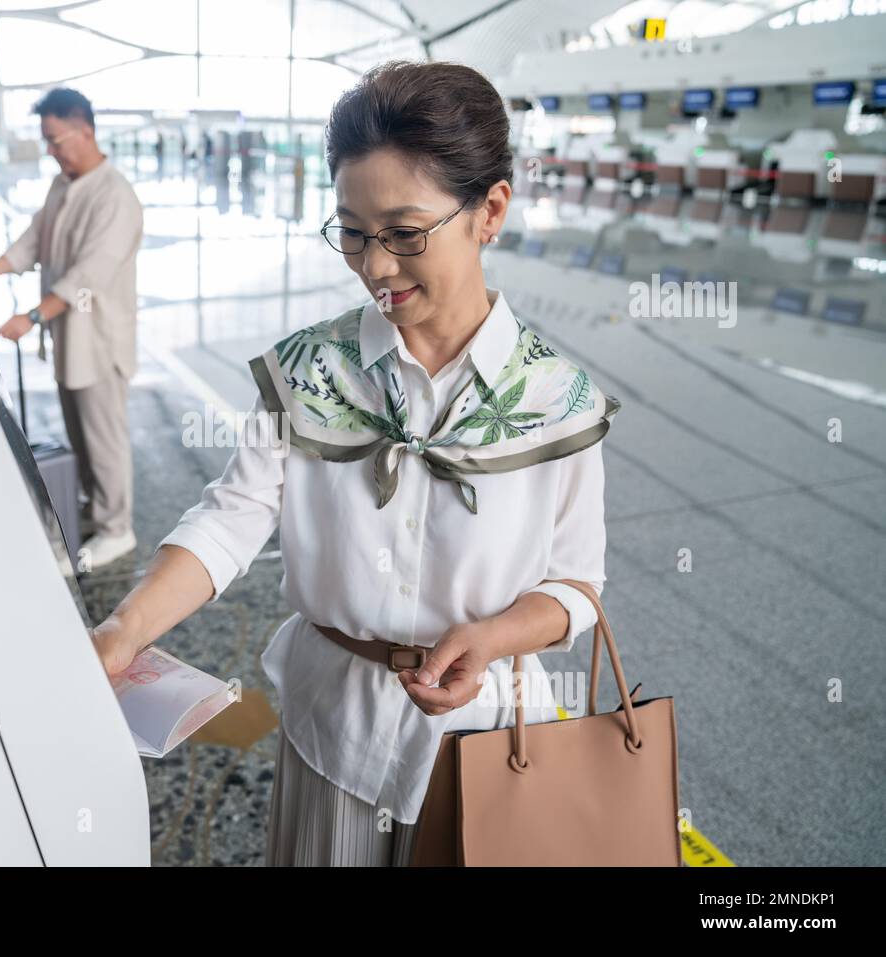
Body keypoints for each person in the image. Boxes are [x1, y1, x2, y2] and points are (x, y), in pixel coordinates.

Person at [91, 59, 619, 866]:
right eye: (352, 232)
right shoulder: (309, 370)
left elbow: (577, 584)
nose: (375, 266)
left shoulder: (558, 397)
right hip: (333, 724)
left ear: (491, 212)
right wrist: (127, 627)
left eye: (405, 234)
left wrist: (494, 635)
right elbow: (232, 519)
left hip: (486, 739)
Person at [0, 88, 144, 570]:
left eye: (54, 139)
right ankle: (93, 503)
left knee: (103, 436)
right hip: (69, 339)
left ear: (85, 130)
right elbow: (32, 242)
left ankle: (117, 530)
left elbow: (86, 276)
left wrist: (30, 317)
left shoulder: (116, 197)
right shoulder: (62, 185)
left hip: (100, 339)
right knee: (79, 432)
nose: (49, 149)